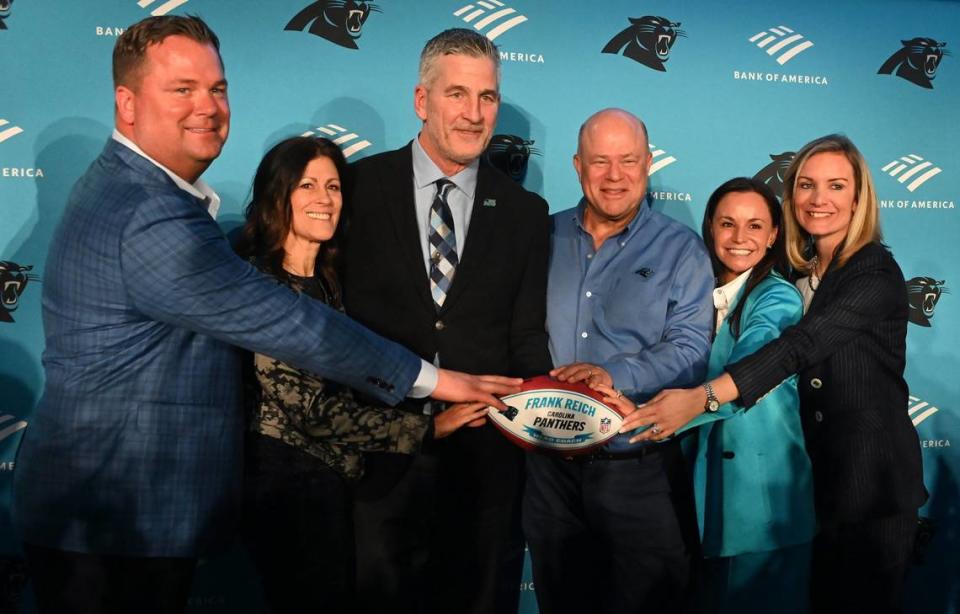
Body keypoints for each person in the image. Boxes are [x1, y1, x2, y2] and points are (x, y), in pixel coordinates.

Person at [12, 16, 517, 614]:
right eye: (182, 89)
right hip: (114, 515)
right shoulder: (149, 211)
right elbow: (291, 325)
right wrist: (436, 382)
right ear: (127, 103)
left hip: (118, 514)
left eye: (217, 88)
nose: (207, 106)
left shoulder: (134, 191)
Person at [623, 135, 926, 613]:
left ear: (858, 196)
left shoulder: (874, 273)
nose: (818, 199)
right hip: (815, 486)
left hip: (869, 488)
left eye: (835, 185)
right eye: (805, 185)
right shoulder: (801, 274)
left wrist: (697, 401)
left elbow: (796, 348)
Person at [341, 28, 553, 614]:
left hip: (484, 467)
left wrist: (551, 407)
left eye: (487, 97)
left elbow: (525, 337)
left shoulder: (524, 214)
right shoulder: (355, 189)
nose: (474, 113)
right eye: (457, 94)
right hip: (376, 457)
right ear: (421, 101)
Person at [234, 136, 491, 614]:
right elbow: (309, 411)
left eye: (333, 186)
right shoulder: (264, 286)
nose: (324, 198)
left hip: (334, 488)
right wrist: (429, 426)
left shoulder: (330, 282)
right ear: (278, 196)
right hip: (286, 493)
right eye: (307, 185)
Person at [522, 108, 714, 614]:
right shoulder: (538, 238)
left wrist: (614, 374)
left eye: (628, 161)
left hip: (637, 467)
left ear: (648, 163)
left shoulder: (681, 250)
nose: (614, 176)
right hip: (549, 470)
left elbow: (691, 350)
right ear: (577, 165)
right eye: (600, 161)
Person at [602, 177, 816, 613]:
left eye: (755, 226)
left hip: (761, 510)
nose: (740, 238)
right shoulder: (695, 295)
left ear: (774, 234)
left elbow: (751, 363)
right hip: (696, 505)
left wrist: (656, 415)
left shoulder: (777, 297)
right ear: (710, 229)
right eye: (727, 224)